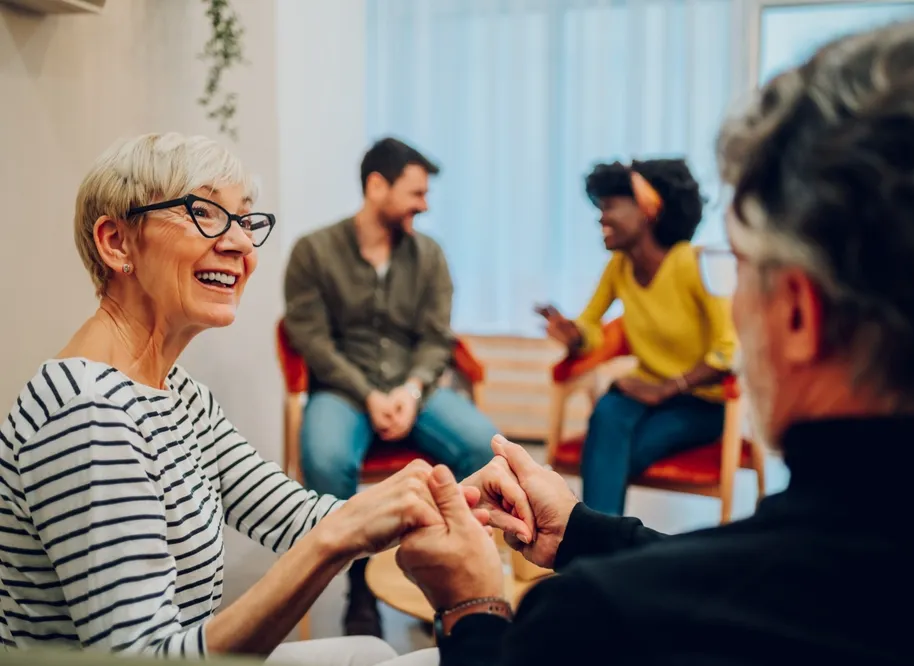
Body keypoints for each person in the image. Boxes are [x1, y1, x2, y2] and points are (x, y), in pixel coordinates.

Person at [396, 21, 914, 665]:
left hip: (696, 395)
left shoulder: (597, 622)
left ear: (798, 312)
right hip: (637, 418)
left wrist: (472, 606)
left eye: (741, 269)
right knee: (612, 411)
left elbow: (736, 581)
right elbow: (756, 584)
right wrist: (580, 532)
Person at [0, 133, 529, 664]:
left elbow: (291, 516)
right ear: (117, 243)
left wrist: (452, 498)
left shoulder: (180, 394)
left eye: (245, 222)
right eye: (205, 213)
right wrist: (338, 538)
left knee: (371, 651)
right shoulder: (85, 415)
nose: (241, 246)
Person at [283, 137, 497, 636]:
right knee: (326, 459)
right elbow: (311, 341)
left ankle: (452, 583)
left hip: (413, 391)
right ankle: (360, 588)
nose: (424, 205)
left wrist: (412, 389)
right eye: (416, 193)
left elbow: (436, 338)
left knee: (482, 446)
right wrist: (368, 393)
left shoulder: (429, 256)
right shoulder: (312, 252)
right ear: (376, 186)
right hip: (342, 389)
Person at [536, 158, 736, 515]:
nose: (601, 218)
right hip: (643, 392)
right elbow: (591, 328)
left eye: (610, 206)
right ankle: (596, 554)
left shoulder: (692, 263)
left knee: (611, 454)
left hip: (700, 401)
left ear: (648, 209)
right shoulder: (619, 268)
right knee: (607, 415)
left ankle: (593, 551)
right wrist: (575, 337)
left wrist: (666, 389)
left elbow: (728, 351)